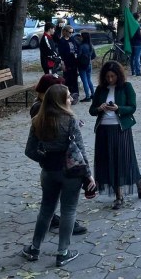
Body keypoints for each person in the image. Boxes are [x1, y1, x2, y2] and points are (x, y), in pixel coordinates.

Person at [23, 84, 96, 268]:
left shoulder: (38, 121)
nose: (71, 99)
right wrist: (88, 175)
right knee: (69, 210)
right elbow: (80, 149)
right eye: (69, 96)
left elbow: (30, 151)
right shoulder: (70, 120)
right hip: (71, 172)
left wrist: (44, 158)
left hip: (49, 171)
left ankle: (34, 248)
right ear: (60, 100)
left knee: (46, 210)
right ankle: (63, 252)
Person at [29, 74, 88, 236]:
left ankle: (38, 245)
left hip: (53, 163)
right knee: (60, 204)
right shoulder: (39, 108)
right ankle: (63, 241)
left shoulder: (45, 106)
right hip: (58, 163)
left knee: (51, 202)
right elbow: (40, 140)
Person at [89, 61, 141, 209]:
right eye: (107, 76)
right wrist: (100, 108)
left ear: (118, 75)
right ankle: (118, 196)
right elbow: (92, 110)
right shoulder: (101, 89)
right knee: (108, 162)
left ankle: (138, 180)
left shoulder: (126, 87)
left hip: (120, 129)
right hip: (103, 129)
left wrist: (118, 108)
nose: (110, 79)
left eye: (112, 76)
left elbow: (132, 107)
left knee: (124, 160)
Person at [57, 25, 80, 103]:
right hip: (67, 62)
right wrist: (62, 62)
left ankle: (75, 94)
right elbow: (60, 53)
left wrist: (76, 53)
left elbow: (77, 47)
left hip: (74, 62)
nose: (71, 33)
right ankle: (68, 95)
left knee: (74, 78)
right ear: (65, 32)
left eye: (72, 32)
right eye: (70, 32)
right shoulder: (62, 41)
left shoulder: (72, 39)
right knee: (67, 79)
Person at [77, 32, 96, 102]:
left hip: (82, 65)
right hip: (89, 64)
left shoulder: (81, 46)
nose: (80, 37)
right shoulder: (91, 45)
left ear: (83, 37)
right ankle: (93, 94)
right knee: (89, 79)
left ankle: (87, 96)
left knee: (84, 80)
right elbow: (94, 56)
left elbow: (78, 56)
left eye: (81, 36)